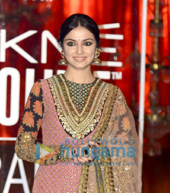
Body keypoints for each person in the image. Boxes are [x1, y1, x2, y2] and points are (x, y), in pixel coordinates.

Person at [15, 14, 142, 192]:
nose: (79, 51)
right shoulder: (42, 89)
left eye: (87, 43)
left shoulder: (113, 95)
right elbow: (23, 147)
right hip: (53, 186)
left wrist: (101, 151)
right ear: (62, 48)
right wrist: (66, 153)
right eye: (71, 43)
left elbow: (126, 151)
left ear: (97, 48)